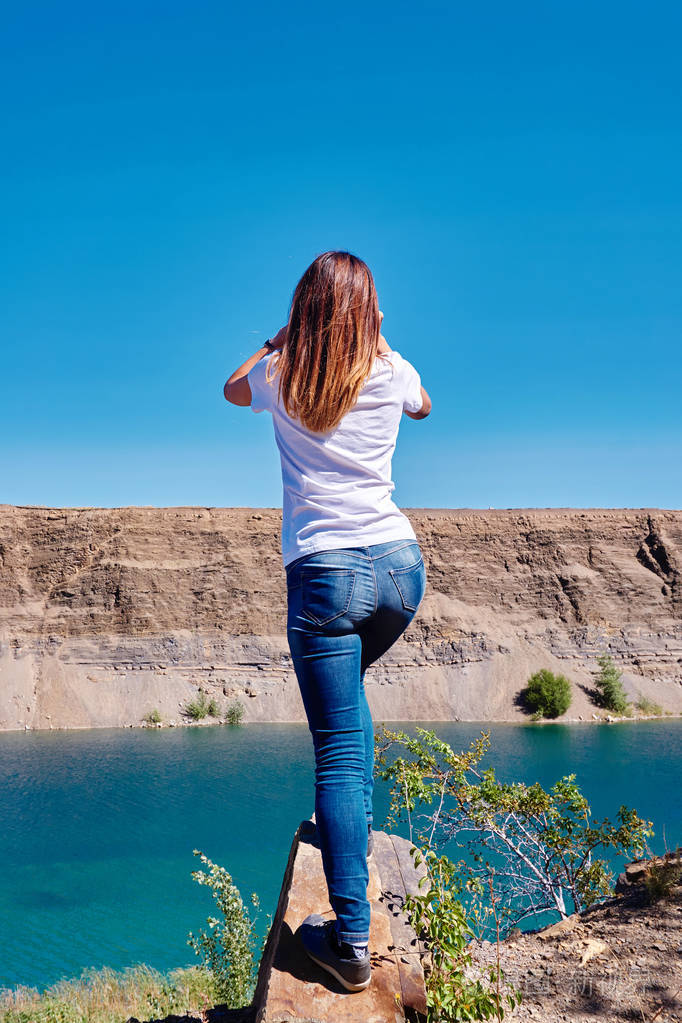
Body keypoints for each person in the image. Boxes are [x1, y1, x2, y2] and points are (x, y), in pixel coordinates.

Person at [223, 250, 431, 993]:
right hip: (401, 571)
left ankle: (348, 941)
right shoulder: (390, 371)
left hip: (326, 574)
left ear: (305, 309)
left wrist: (278, 339)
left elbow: (228, 388)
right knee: (349, 719)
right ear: (367, 311)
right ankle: (350, 845)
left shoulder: (281, 376)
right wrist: (376, 338)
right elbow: (426, 404)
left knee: (338, 750)